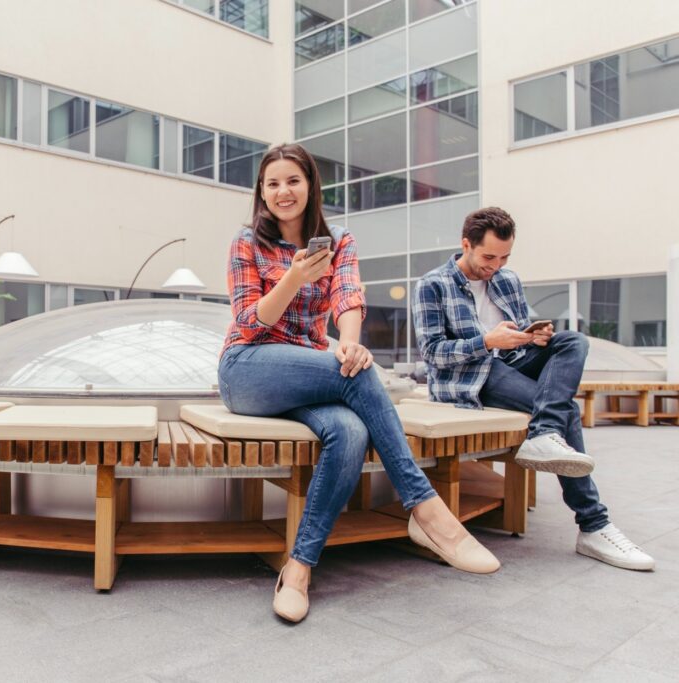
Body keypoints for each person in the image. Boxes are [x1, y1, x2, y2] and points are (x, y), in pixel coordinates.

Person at [217, 143, 501, 624]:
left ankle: (299, 568)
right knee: (357, 375)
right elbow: (249, 322)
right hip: (248, 368)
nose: (283, 191)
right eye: (273, 183)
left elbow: (348, 297)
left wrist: (349, 343)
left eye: (293, 181)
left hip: (305, 370)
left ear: (310, 185)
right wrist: (291, 278)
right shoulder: (247, 242)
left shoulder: (339, 240)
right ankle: (426, 509)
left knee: (348, 431)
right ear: (261, 193)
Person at [412, 207, 654, 571]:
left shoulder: (508, 279)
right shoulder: (433, 284)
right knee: (567, 411)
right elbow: (432, 354)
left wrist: (536, 337)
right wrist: (488, 341)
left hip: (512, 361)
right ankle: (594, 525)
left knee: (573, 341)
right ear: (466, 244)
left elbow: (524, 331)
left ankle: (544, 431)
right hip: (470, 375)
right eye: (488, 256)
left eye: (504, 257)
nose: (496, 265)